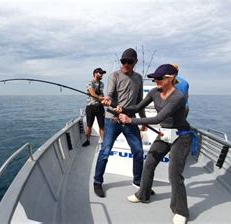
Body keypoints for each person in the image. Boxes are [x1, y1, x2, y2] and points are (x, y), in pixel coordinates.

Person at [118, 64, 193, 224]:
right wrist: (121, 109)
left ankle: (181, 211)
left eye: (159, 78)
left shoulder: (178, 97)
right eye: (154, 78)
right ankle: (142, 195)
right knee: (149, 164)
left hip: (182, 137)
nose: (155, 80)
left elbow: (158, 119)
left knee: (174, 174)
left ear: (171, 78)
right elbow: (137, 107)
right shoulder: (154, 92)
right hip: (164, 135)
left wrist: (131, 121)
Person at [92, 48, 146, 198]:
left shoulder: (139, 78)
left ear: (135, 62)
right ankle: (97, 182)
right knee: (105, 152)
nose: (126, 64)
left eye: (130, 61)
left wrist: (143, 120)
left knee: (139, 152)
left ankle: (138, 181)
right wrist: (107, 101)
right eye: (124, 61)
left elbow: (140, 101)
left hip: (130, 120)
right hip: (112, 120)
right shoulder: (114, 75)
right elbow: (109, 95)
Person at [82, 68, 106, 147]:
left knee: (102, 126)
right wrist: (102, 98)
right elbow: (92, 94)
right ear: (95, 73)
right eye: (100, 73)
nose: (102, 74)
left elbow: (101, 94)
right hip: (91, 107)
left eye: (102, 73)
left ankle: (103, 141)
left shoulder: (102, 84)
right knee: (89, 125)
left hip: (100, 107)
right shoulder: (90, 83)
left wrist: (103, 99)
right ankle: (87, 140)